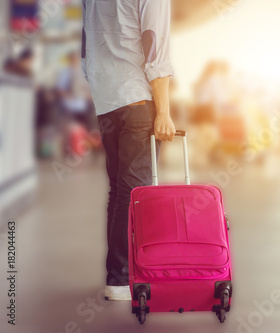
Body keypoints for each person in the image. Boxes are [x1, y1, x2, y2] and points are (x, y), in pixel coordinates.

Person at [82, 0, 175, 301]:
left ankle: (118, 276)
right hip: (137, 100)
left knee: (120, 190)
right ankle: (123, 278)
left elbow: (86, 48)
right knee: (135, 192)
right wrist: (164, 111)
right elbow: (155, 47)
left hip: (107, 101)